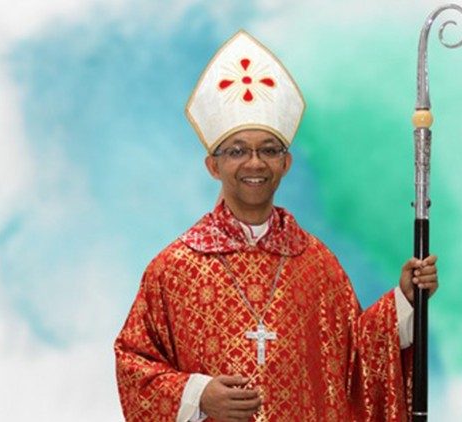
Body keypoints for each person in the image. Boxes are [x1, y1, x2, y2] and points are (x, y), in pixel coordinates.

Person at [114, 30, 438, 422]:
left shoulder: (317, 265)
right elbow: (134, 365)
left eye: (269, 150)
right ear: (213, 166)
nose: (255, 163)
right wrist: (199, 396)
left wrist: (406, 301)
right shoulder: (174, 269)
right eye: (237, 151)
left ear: (285, 163)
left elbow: (355, 362)